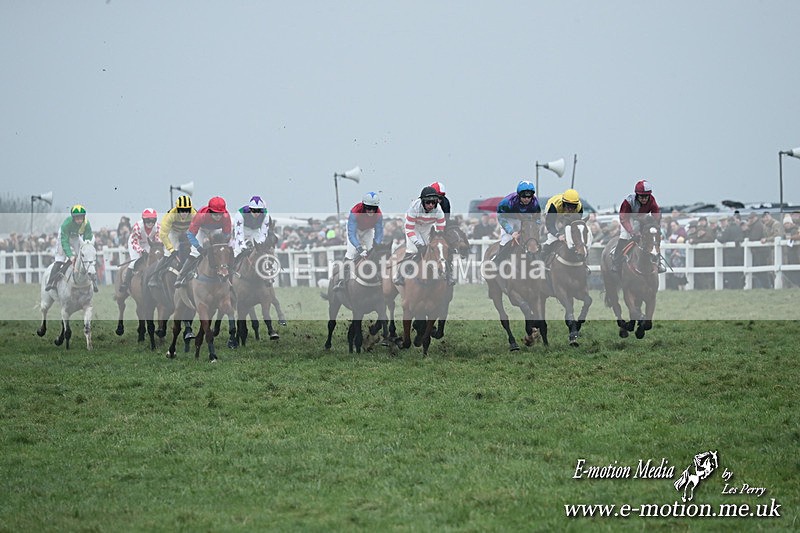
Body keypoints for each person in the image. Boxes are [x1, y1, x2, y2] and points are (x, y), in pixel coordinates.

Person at [490, 180, 541, 291]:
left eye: (529, 197)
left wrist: (533, 229)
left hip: (523, 219)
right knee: (507, 239)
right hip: (507, 218)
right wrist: (512, 232)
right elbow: (501, 217)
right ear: (519, 195)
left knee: (531, 239)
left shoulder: (535, 203)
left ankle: (537, 260)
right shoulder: (508, 202)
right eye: (524, 197)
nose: (527, 199)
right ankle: (497, 261)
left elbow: (538, 219)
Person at [393, 186, 446, 285]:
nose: (430, 205)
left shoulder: (439, 211)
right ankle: (400, 276)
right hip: (413, 227)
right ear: (422, 201)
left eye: (433, 202)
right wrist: (417, 243)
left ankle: (447, 274)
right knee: (413, 250)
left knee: (434, 248)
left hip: (427, 227)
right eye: (428, 202)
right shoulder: (414, 208)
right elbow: (409, 228)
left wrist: (438, 239)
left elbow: (440, 227)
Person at [175, 196, 232, 287]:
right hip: (202, 230)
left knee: (224, 250)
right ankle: (181, 276)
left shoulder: (226, 216)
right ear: (209, 211)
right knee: (194, 252)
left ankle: (231, 273)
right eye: (215, 213)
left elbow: (226, 235)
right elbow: (190, 235)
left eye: (220, 213)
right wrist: (199, 247)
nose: (218, 216)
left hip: (216, 231)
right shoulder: (201, 216)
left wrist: (218, 244)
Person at [333, 191, 384, 290]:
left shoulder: (379, 214)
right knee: (351, 253)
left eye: (374, 208)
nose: (371, 211)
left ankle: (378, 278)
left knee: (373, 252)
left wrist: (376, 245)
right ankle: (341, 281)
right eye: (368, 208)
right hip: (355, 231)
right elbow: (351, 234)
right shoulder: (355, 211)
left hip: (368, 230)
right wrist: (359, 248)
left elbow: (379, 232)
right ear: (364, 205)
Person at [611, 180, 661, 272]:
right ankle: (616, 261)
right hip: (628, 218)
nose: (644, 199)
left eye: (646, 196)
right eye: (642, 196)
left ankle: (659, 262)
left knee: (652, 235)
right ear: (637, 195)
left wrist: (656, 227)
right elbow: (624, 219)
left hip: (641, 218)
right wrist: (632, 232)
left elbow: (656, 215)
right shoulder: (628, 201)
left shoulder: (652, 200)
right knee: (625, 236)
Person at [147, 195, 196, 287]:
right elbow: (163, 235)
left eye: (187, 210)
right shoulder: (170, 215)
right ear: (177, 209)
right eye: (181, 210)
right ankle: (154, 278)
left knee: (195, 251)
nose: (184, 213)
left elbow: (198, 228)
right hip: (173, 231)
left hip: (187, 230)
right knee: (168, 254)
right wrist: (171, 249)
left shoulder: (194, 214)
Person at [45, 205, 94, 291]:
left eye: (81, 218)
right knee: (60, 259)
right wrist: (70, 255)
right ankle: (51, 282)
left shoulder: (87, 224)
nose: (79, 220)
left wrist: (86, 248)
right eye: (77, 218)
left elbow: (88, 238)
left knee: (84, 256)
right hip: (64, 237)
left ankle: (92, 281)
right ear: (73, 218)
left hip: (75, 237)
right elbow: (64, 242)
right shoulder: (66, 224)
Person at [120, 208, 161, 293]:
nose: (150, 223)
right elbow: (134, 242)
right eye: (148, 220)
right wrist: (141, 251)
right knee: (134, 261)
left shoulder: (158, 227)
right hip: (135, 242)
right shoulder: (137, 226)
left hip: (148, 243)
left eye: (153, 220)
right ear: (144, 220)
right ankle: (125, 283)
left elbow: (157, 240)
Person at [541, 188, 584, 262]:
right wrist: (558, 235)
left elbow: (575, 225)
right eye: (568, 205)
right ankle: (542, 261)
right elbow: (550, 225)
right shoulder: (554, 206)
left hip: (568, 219)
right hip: (554, 216)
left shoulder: (579, 208)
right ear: (563, 202)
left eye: (573, 206)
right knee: (551, 239)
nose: (570, 209)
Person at [231, 195, 272, 261]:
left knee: (259, 251)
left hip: (255, 231)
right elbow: (239, 234)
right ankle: (234, 265)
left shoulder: (266, 215)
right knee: (238, 250)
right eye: (253, 210)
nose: (256, 212)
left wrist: (259, 245)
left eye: (259, 210)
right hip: (243, 230)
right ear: (250, 209)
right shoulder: (240, 213)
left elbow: (263, 234)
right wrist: (242, 246)